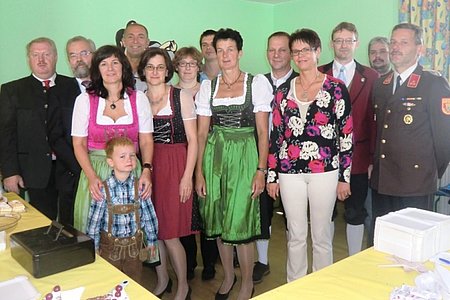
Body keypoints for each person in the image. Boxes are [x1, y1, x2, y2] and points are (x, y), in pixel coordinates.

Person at [267, 28, 353, 282]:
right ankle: (295, 287)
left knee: (322, 235)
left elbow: (346, 135)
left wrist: (344, 177)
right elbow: (276, 137)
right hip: (289, 172)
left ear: (317, 51)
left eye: (306, 50)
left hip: (325, 171)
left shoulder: (336, 88)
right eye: (296, 51)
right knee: (295, 234)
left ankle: (321, 287)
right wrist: (272, 176)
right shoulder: (283, 92)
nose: (300, 55)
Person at [195, 28, 272, 300]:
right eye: (220, 50)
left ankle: (247, 282)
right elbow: (202, 133)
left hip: (245, 154)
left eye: (230, 50)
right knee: (218, 220)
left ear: (240, 53)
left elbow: (263, 132)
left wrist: (261, 171)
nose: (225, 55)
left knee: (240, 222)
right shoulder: (208, 86)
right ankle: (228, 276)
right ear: (214, 53)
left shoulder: (257, 83)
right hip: (215, 156)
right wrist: (199, 173)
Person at [370, 23, 450, 237]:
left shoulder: (433, 84)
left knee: (414, 245)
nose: (396, 47)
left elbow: (445, 139)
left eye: (403, 43)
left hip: (415, 182)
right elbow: (377, 132)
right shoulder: (382, 84)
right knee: (383, 243)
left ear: (419, 49)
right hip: (383, 179)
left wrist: (428, 172)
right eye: (393, 42)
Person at [71, 45, 154, 233]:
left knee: (131, 228)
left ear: (123, 67)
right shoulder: (85, 100)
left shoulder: (138, 98)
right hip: (97, 171)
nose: (110, 68)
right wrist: (92, 177)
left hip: (130, 171)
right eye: (104, 64)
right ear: (97, 70)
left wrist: (147, 170)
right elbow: (79, 144)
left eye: (115, 63)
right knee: (95, 227)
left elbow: (146, 140)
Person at [138, 47, 197, 300]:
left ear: (167, 70)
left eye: (160, 67)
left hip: (175, 164)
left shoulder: (180, 96)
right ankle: (162, 279)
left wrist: (187, 177)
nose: (155, 72)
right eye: (150, 67)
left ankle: (182, 284)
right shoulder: (138, 98)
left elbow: (194, 140)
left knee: (171, 232)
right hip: (148, 167)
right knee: (151, 231)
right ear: (143, 70)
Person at [0, 37, 79, 220]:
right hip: (31, 171)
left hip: (68, 169)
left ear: (56, 57)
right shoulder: (12, 90)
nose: (41, 60)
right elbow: (6, 135)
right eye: (35, 55)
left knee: (72, 225)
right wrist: (10, 172)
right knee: (41, 225)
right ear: (29, 58)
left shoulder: (72, 87)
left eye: (46, 54)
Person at [319, 22, 378, 255]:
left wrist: (373, 159)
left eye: (348, 40)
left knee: (355, 211)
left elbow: (375, 121)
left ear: (357, 43)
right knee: (326, 211)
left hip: (359, 158)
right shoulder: (318, 74)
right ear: (331, 43)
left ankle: (353, 259)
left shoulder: (371, 76)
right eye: (339, 40)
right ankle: (326, 262)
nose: (343, 45)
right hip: (323, 158)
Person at [253, 31, 299, 285]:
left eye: (282, 49)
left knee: (294, 215)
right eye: (272, 49)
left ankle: (296, 265)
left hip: (293, 161)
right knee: (263, 212)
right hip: (263, 158)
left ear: (291, 53)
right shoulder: (257, 82)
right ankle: (262, 261)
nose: (277, 54)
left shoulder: (302, 82)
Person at [86, 136, 158, 282]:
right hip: (109, 250)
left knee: (134, 282)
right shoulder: (103, 190)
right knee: (109, 283)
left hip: (134, 250)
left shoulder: (140, 187)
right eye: (122, 156)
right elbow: (93, 223)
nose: (129, 160)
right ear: (110, 162)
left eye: (132, 155)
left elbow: (150, 217)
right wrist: (94, 247)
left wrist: (151, 241)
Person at [48, 36, 96, 226]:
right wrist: (83, 167)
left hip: (107, 170)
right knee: (73, 229)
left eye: (84, 53)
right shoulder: (57, 91)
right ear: (68, 60)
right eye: (73, 55)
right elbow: (55, 135)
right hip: (71, 173)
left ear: (94, 54)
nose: (79, 59)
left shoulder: (109, 87)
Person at [172, 46, 206, 280]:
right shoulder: (169, 92)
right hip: (179, 158)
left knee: (205, 211)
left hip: (204, 155)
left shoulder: (207, 90)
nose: (187, 68)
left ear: (198, 66)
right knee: (184, 211)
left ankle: (211, 262)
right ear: (176, 67)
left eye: (192, 63)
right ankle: (189, 263)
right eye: (183, 63)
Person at [122, 21, 150, 92]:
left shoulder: (155, 67)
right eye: (130, 37)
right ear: (123, 42)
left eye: (140, 37)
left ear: (147, 42)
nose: (135, 41)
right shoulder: (113, 65)